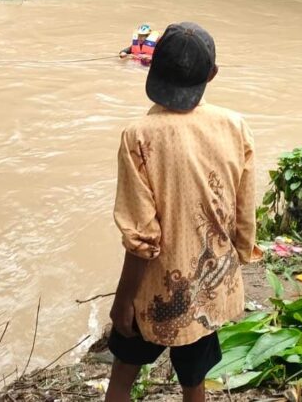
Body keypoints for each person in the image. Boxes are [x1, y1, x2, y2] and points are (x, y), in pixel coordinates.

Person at [106, 22, 259, 402]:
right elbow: (244, 213)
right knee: (194, 381)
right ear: (212, 75)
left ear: (154, 66)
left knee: (123, 376)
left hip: (156, 292)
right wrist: (240, 255)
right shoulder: (235, 126)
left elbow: (143, 238)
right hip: (209, 286)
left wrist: (124, 299)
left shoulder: (139, 135)